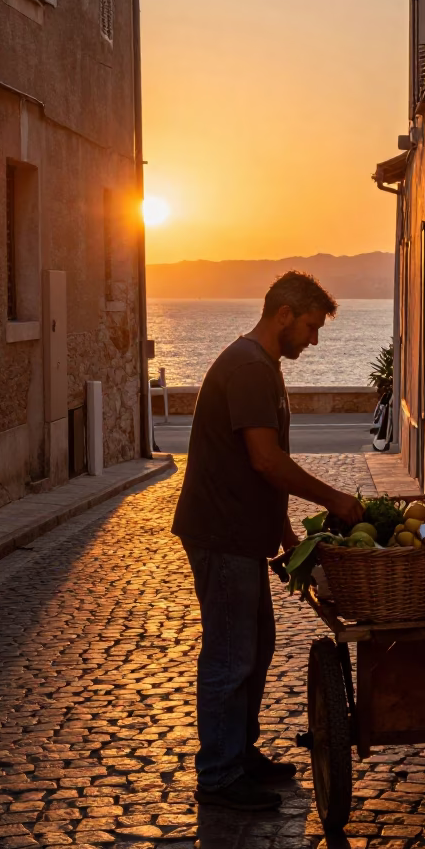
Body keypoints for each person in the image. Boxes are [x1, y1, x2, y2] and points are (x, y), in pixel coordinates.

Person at [172, 271, 365, 811]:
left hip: (245, 535)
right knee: (231, 656)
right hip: (222, 533)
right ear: (284, 314)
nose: (315, 339)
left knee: (254, 649)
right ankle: (217, 775)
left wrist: (285, 538)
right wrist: (334, 500)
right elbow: (267, 460)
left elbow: (261, 470)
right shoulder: (249, 369)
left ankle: (239, 752)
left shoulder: (264, 368)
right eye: (310, 326)